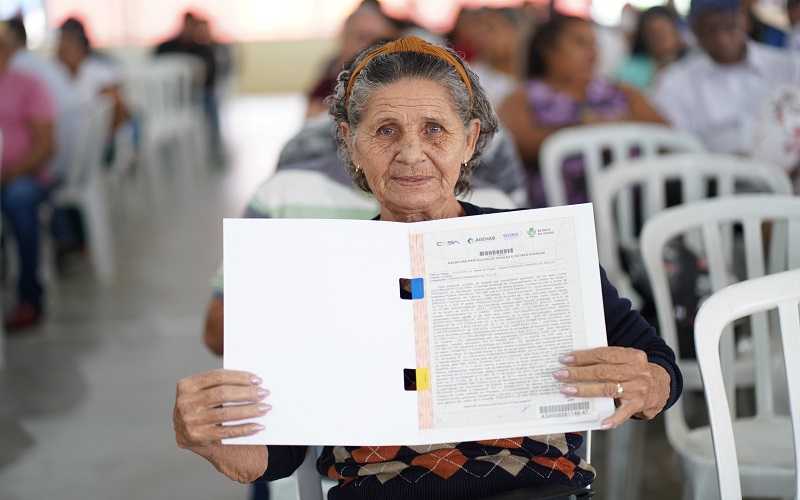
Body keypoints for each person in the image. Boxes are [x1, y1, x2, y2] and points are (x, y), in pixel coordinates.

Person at [173, 37, 682, 500]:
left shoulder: (538, 246)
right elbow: (270, 458)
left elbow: (658, 361)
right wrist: (205, 437)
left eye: (435, 129)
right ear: (351, 142)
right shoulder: (316, 268)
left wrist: (648, 384)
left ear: (469, 139)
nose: (411, 153)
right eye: (385, 131)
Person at [498, 15, 666, 208]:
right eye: (580, 43)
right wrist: (586, 129)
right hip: (558, 214)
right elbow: (517, 145)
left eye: (595, 44)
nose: (592, 52)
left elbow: (667, 135)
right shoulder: (522, 97)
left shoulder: (623, 92)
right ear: (548, 50)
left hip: (632, 210)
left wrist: (614, 126)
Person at [652, 0, 800, 156]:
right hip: (713, 174)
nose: (721, 38)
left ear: (745, 21)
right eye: (710, 29)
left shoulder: (788, 68)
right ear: (695, 32)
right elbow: (675, 146)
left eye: (729, 26)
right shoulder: (675, 82)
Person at [0, 20, 56, 330]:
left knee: (20, 201)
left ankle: (29, 297)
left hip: (23, 175)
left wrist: (10, 173)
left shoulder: (29, 85)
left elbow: (47, 145)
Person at [306, 0, 401, 118]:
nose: (370, 46)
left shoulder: (400, 75)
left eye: (380, 40)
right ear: (345, 39)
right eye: (362, 37)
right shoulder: (332, 71)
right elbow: (311, 116)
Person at [616, 6, 688, 91]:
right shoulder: (629, 70)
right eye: (652, 34)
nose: (659, 38)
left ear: (676, 32)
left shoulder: (694, 65)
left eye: (663, 31)